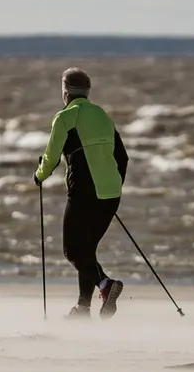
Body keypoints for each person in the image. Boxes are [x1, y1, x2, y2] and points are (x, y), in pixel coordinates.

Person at [33, 67, 129, 319]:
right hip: (110, 193)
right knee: (86, 250)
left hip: (85, 192)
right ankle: (83, 309)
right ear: (87, 93)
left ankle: (106, 285)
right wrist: (112, 185)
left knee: (73, 251)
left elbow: (51, 158)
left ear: (65, 93)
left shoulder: (64, 117)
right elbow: (122, 157)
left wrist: (39, 175)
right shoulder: (103, 116)